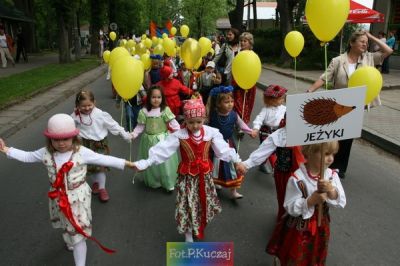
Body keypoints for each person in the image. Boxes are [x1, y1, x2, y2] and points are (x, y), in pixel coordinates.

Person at [0, 114, 135, 266]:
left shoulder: (81, 152)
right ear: (50, 139)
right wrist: (6, 149)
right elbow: (28, 156)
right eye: (56, 139)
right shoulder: (46, 153)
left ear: (74, 137)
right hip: (58, 198)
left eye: (65, 138)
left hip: (78, 198)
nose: (61, 143)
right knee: (66, 224)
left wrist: (128, 164)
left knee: (78, 234)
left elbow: (104, 159)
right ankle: (70, 239)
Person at [132, 97, 242, 242]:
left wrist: (237, 161)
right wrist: (146, 163)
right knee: (187, 205)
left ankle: (198, 225)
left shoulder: (211, 133)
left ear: (204, 119)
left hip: (205, 177)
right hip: (188, 179)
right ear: (185, 120)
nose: (195, 125)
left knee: (202, 204)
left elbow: (223, 149)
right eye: (191, 122)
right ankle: (188, 234)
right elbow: (162, 150)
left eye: (199, 122)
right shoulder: (179, 135)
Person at [307, 30, 393, 179]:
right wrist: (310, 91)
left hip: (356, 105)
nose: (365, 44)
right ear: (352, 43)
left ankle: (340, 168)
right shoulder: (338, 60)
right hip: (337, 104)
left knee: (347, 139)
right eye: (362, 41)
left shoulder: (369, 58)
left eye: (366, 42)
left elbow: (389, 50)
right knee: (333, 136)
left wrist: (370, 37)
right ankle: (327, 164)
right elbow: (324, 78)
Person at [268, 141, 346, 265]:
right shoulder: (297, 178)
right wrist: (310, 201)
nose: (331, 159)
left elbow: (340, 199)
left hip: (322, 223)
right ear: (309, 153)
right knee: (297, 252)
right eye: (326, 154)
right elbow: (290, 206)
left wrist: (331, 191)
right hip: (299, 226)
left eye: (333, 154)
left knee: (315, 251)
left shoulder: (331, 175)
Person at [71, 90, 132, 202]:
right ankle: (95, 182)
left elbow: (113, 125)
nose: (87, 108)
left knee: (100, 167)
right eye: (83, 106)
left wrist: (125, 134)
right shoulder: (75, 116)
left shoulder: (100, 114)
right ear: (77, 105)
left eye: (90, 105)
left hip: (99, 144)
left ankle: (102, 188)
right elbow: (69, 126)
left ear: (94, 102)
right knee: (89, 167)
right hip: (84, 144)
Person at [131, 86, 180, 191]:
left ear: (162, 98)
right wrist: (134, 134)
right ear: (149, 98)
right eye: (153, 97)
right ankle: (154, 181)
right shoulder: (144, 112)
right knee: (151, 162)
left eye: (159, 97)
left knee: (165, 162)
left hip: (163, 140)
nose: (156, 99)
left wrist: (180, 133)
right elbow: (140, 126)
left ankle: (168, 182)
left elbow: (173, 123)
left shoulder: (165, 110)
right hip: (148, 141)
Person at [207, 85, 252, 199]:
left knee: (232, 166)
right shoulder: (213, 115)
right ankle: (216, 183)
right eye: (227, 102)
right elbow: (204, 125)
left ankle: (233, 191)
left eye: (232, 101)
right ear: (218, 104)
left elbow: (241, 124)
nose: (230, 104)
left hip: (228, 144)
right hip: (214, 145)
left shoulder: (234, 115)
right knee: (216, 166)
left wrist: (250, 131)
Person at [251, 85, 287, 174]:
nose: (283, 100)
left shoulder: (284, 108)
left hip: (278, 131)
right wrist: (255, 128)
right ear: (272, 100)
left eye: (283, 98)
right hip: (266, 131)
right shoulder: (266, 110)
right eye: (281, 98)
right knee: (267, 148)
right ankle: (274, 167)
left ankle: (263, 163)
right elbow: (259, 119)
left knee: (276, 149)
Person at [233, 32, 257, 125]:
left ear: (250, 43)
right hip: (237, 82)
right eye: (241, 41)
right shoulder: (237, 54)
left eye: (245, 41)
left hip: (250, 83)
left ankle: (243, 123)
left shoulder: (253, 55)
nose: (242, 43)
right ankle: (239, 124)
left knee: (247, 104)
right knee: (237, 104)